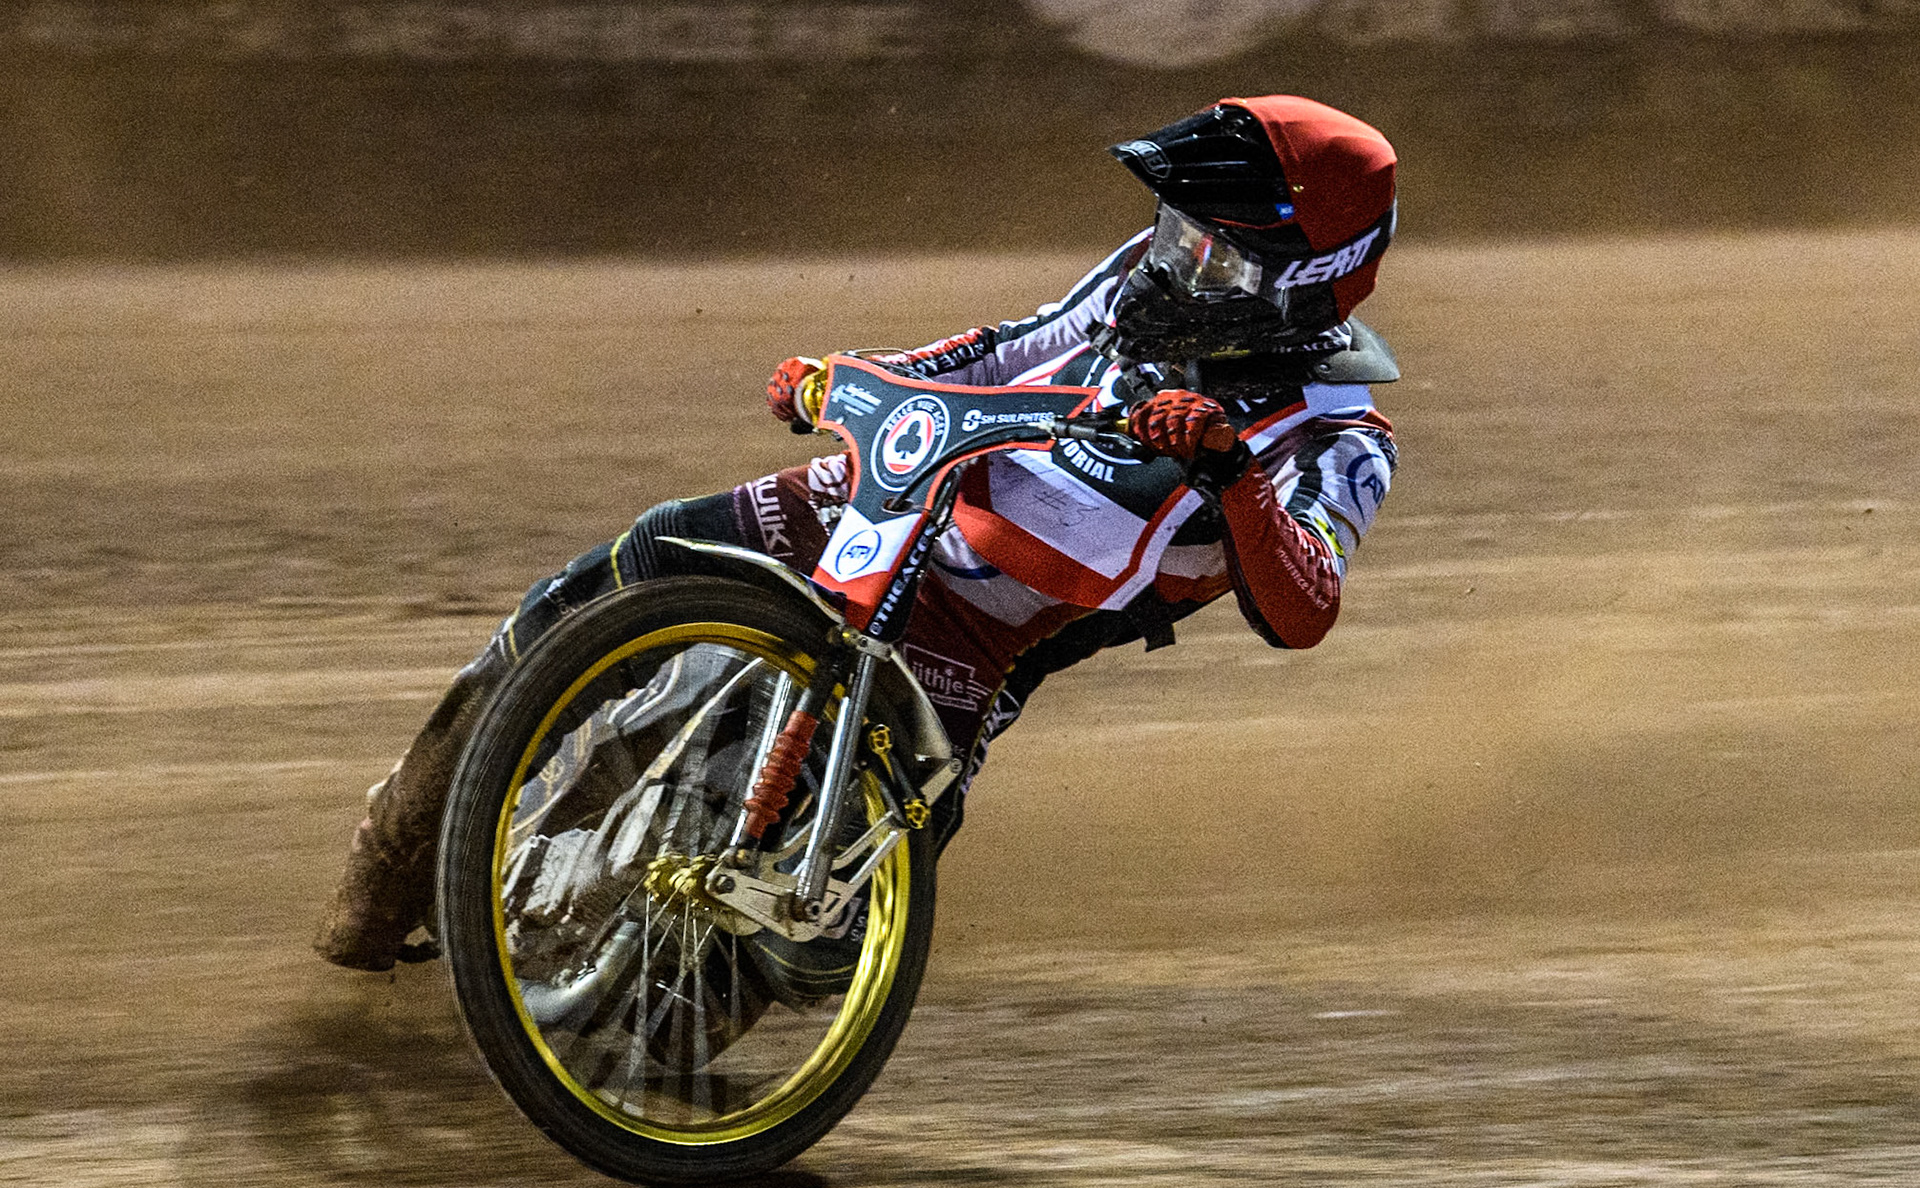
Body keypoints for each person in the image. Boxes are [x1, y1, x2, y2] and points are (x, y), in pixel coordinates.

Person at [315, 93, 1402, 971]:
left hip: (979, 631)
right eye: (1176, 230)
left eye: (1215, 253)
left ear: (1308, 282)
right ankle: (394, 852)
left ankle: (644, 1033)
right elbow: (1009, 345)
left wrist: (1235, 472)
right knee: (619, 573)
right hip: (890, 493)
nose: (1175, 261)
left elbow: (1306, 605)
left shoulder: (1339, 437)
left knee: (825, 933)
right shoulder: (1143, 273)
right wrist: (860, 376)